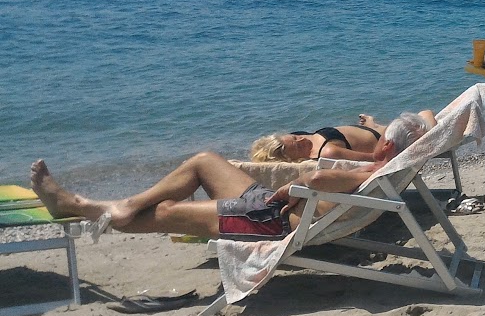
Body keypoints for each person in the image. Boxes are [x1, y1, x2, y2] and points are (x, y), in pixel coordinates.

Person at [30, 113, 429, 242]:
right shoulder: (388, 167)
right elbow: (428, 119)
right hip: (276, 209)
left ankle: (81, 207)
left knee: (169, 211)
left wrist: (299, 183)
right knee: (205, 160)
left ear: (390, 147)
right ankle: (124, 206)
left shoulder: (376, 168)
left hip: (275, 221)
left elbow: (323, 182)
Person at [250, 109, 438, 163]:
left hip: (375, 133)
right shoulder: (327, 152)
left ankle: (372, 123)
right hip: (389, 138)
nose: (301, 139)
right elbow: (374, 158)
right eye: (298, 146)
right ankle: (374, 125)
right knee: (426, 113)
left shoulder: (298, 138)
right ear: (295, 159)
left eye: (294, 137)